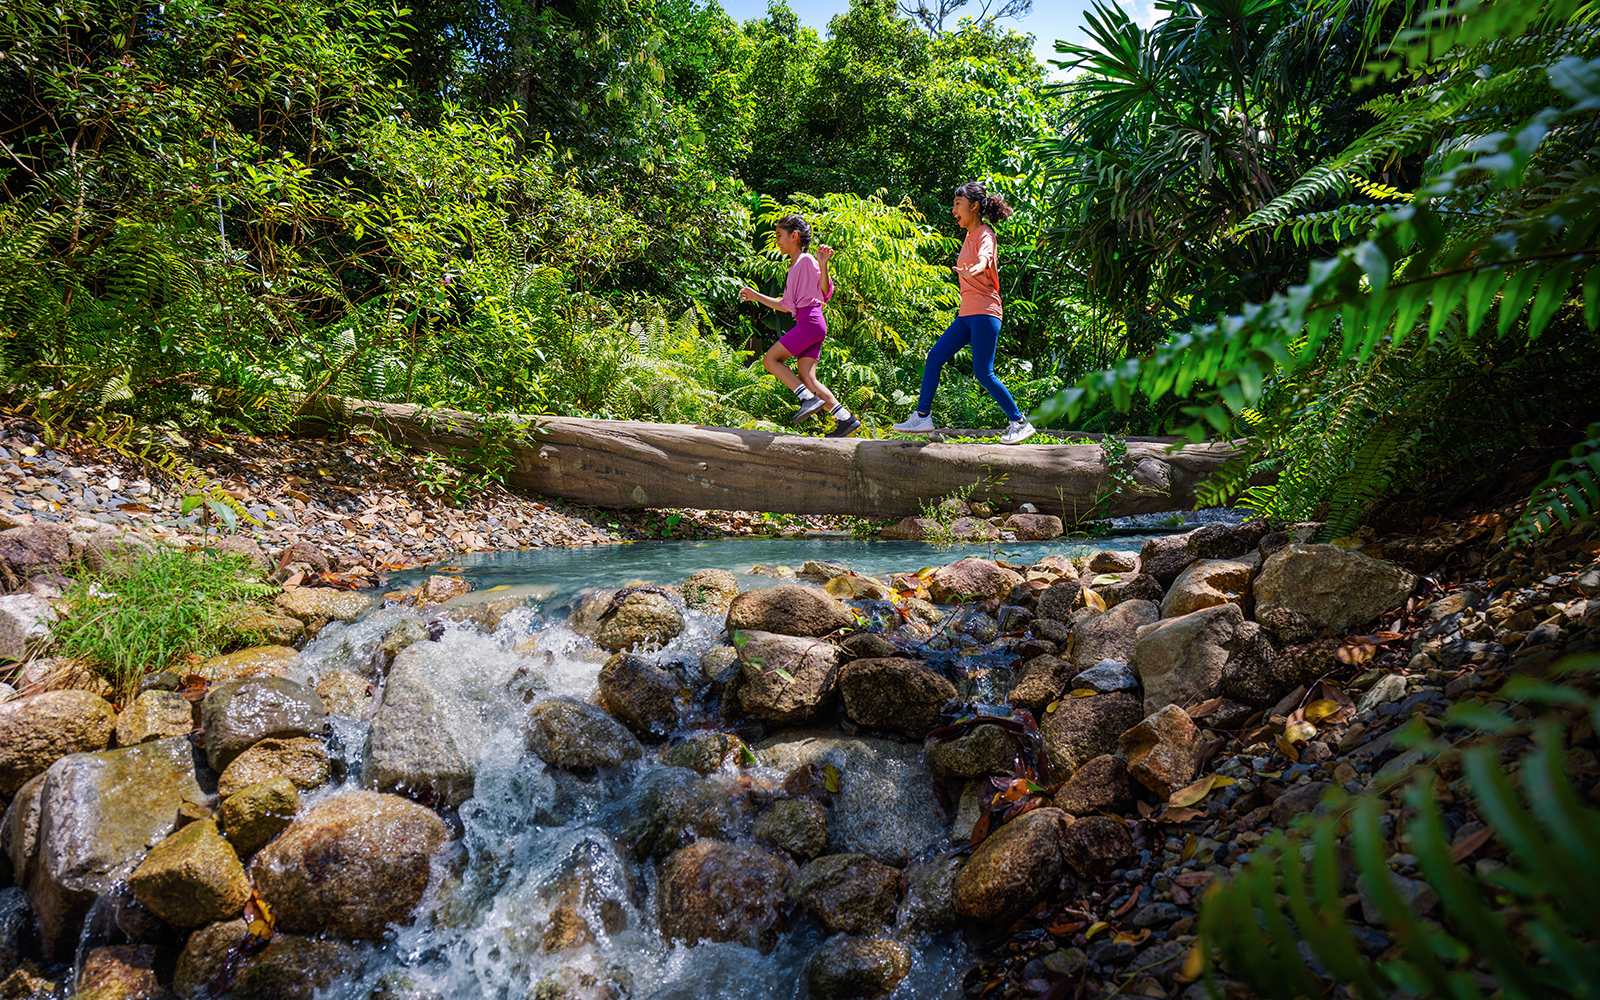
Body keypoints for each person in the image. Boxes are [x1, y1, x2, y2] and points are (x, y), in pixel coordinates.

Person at [892, 182, 1036, 445]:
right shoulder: (969, 236)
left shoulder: (984, 234)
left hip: (985, 312)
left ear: (974, 206)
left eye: (958, 204)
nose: (953, 209)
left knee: (984, 372)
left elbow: (985, 257)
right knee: (935, 356)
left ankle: (1020, 422)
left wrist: (978, 268)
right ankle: (923, 416)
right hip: (967, 313)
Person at [739, 215, 860, 438]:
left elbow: (825, 293)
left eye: (779, 236)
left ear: (794, 236)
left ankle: (806, 397)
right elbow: (786, 305)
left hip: (810, 322)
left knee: (769, 359)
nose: (777, 241)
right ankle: (845, 418)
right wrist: (756, 296)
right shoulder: (794, 267)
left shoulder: (806, 261)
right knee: (807, 377)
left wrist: (823, 265)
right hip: (810, 323)